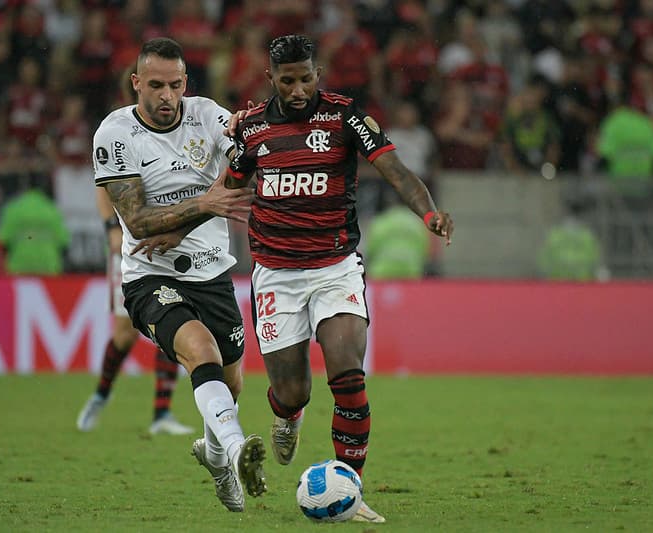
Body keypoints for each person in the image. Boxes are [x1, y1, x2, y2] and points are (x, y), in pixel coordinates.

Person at [224, 35, 454, 524]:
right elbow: (225, 191)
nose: (299, 88)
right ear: (271, 79)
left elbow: (396, 171)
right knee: (293, 392)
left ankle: (349, 488)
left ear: (318, 72)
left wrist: (428, 213)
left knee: (348, 374)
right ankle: (287, 417)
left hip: (335, 266)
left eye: (307, 77)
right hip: (276, 274)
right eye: (288, 80)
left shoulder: (346, 117)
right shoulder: (253, 129)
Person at [91, 37, 265, 513]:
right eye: (155, 86)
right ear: (136, 84)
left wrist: (194, 214)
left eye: (174, 85)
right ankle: (234, 449)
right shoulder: (115, 133)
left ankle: (213, 454)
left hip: (211, 272)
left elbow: (245, 169)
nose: (166, 96)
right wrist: (206, 202)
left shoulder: (207, 115)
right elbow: (139, 221)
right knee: (199, 350)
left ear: (185, 83)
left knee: (230, 383)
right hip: (149, 275)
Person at [75, 187, 194, 436]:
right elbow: (102, 184)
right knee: (124, 335)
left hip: (167, 247)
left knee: (172, 322)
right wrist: (112, 227)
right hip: (130, 249)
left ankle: (162, 413)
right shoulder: (119, 148)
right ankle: (101, 394)